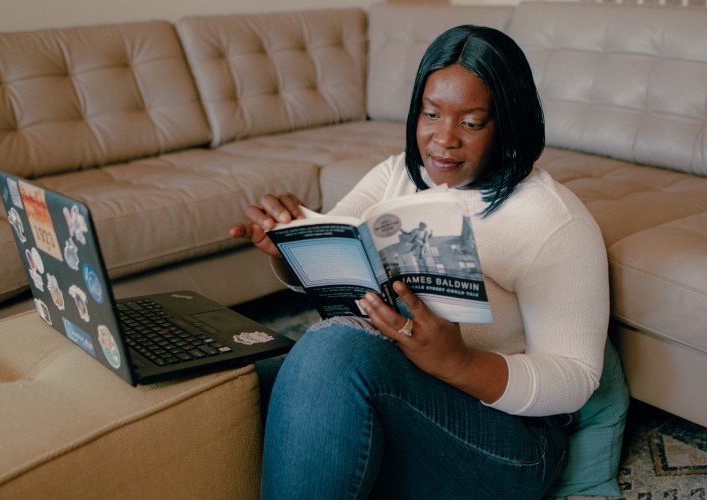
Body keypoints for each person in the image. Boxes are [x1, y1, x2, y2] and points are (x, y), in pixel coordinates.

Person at [229, 24, 610, 499]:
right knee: (245, 380)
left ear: (508, 123)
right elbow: (335, 248)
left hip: (512, 441)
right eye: (431, 114)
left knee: (332, 353)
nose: (443, 139)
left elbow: (576, 378)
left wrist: (459, 363)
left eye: (471, 123)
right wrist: (288, 245)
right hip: (414, 393)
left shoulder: (552, 219)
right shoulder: (397, 175)